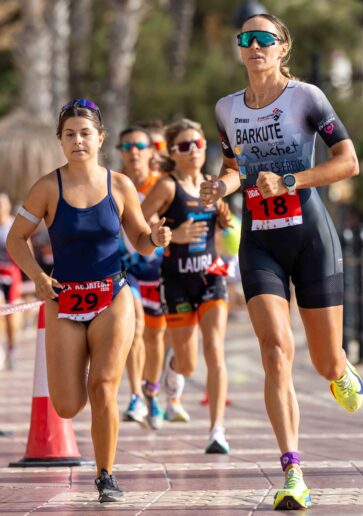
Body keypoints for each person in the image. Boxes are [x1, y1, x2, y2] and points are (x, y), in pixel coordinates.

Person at [199, 14, 363, 510]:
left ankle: (340, 369)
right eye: (246, 39)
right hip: (260, 244)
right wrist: (220, 185)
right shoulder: (227, 108)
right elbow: (234, 168)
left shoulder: (306, 97)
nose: (255, 46)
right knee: (274, 350)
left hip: (310, 237)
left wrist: (290, 181)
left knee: (324, 361)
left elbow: (348, 162)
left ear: (282, 47)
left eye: (265, 39)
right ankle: (293, 471)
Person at [6, 99, 171, 503]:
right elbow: (15, 239)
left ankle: (106, 475)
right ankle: (79, 361)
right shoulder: (48, 187)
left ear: (100, 139)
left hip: (113, 296)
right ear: (60, 141)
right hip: (63, 300)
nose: (77, 140)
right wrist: (39, 277)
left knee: (103, 387)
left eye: (85, 133)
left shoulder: (120, 185)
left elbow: (140, 240)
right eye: (69, 134)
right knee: (66, 405)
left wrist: (155, 238)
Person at [141, 118, 231, 454]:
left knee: (215, 349)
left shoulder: (213, 186)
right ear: (173, 153)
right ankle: (173, 371)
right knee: (189, 363)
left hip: (211, 277)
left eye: (198, 144)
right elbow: (138, 218)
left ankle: (217, 430)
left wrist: (225, 221)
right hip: (176, 281)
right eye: (184, 146)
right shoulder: (167, 186)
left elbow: (225, 229)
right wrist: (168, 234)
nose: (193, 150)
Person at [117, 125, 171, 429]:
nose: (133, 153)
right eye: (126, 147)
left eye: (139, 146)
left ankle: (152, 390)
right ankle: (136, 395)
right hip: (126, 269)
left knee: (154, 336)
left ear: (151, 152)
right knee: (135, 327)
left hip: (158, 270)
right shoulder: (114, 184)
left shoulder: (162, 185)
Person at [0, 192, 22, 370]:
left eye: (2, 205)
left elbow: (26, 249)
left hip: (12, 274)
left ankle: (12, 348)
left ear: (8, 207)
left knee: (11, 316)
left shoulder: (13, 225)